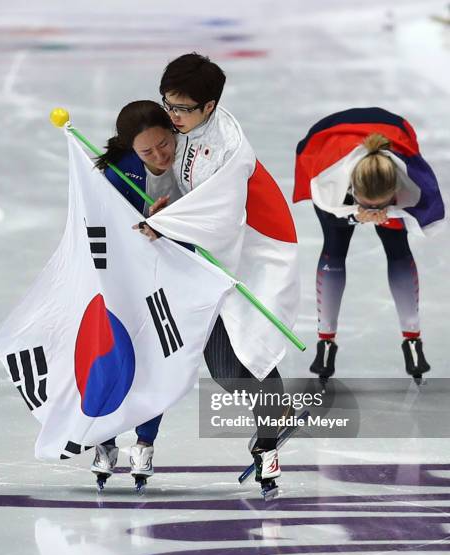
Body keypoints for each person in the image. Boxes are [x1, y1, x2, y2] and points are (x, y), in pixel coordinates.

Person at [136, 53, 300, 497]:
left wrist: (166, 224)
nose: (172, 116)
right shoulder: (185, 126)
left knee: (245, 351)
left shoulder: (229, 148)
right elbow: (175, 183)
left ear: (209, 106)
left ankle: (273, 424)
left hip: (255, 248)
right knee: (223, 364)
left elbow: (221, 218)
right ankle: (275, 411)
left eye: (182, 108)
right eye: (167, 103)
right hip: (209, 251)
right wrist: (164, 200)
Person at [293, 107, 445, 380]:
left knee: (398, 248)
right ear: (353, 191)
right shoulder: (328, 181)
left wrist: (388, 213)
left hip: (395, 134)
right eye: (367, 205)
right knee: (334, 247)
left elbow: (428, 218)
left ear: (396, 191)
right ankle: (325, 342)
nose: (375, 212)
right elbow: (333, 213)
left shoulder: (412, 180)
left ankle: (413, 340)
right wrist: (353, 216)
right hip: (324, 143)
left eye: (383, 205)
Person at [90, 100, 189, 490]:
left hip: (173, 279)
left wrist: (174, 226)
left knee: (159, 360)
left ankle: (145, 442)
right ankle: (106, 436)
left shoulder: (193, 164)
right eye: (147, 151)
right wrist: (142, 225)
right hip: (126, 282)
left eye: (165, 144)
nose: (160, 155)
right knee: (118, 359)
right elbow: (100, 229)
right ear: (131, 150)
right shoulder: (117, 176)